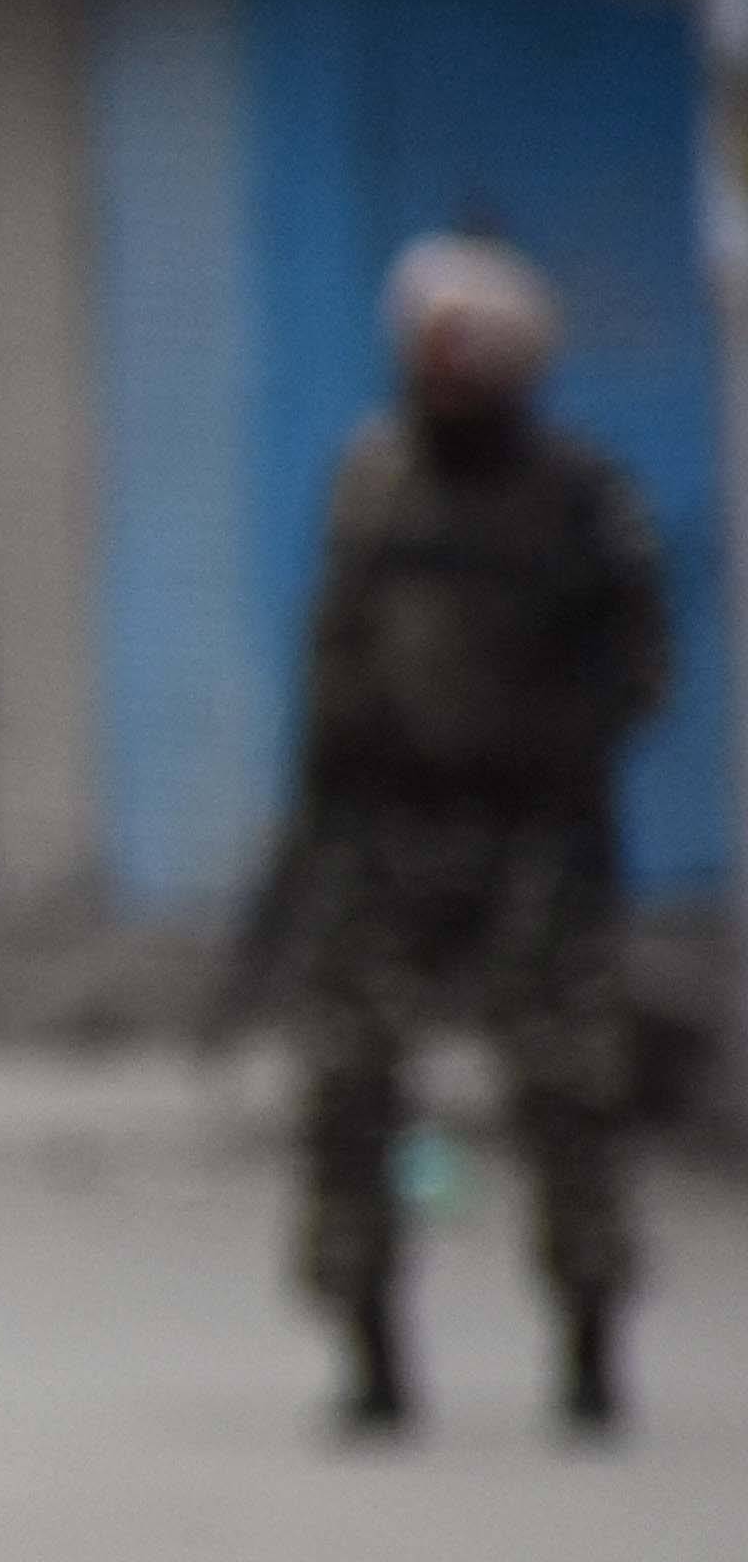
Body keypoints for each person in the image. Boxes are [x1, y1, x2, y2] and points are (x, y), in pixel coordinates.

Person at [248, 236, 669, 1440]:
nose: (439, 383)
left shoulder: (580, 498)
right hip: (385, 835)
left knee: (569, 1096)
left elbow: (635, 668)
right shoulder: (373, 483)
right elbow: (333, 650)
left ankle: (588, 1341)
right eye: (424, 360)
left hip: (536, 841)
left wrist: (554, 758)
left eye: (464, 363)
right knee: (347, 1089)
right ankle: (368, 1348)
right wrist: (320, 808)